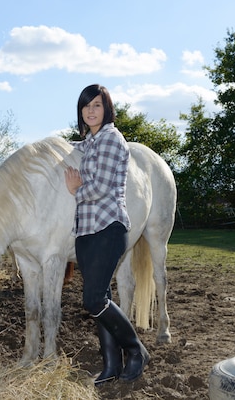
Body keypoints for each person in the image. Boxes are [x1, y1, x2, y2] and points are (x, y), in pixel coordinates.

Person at [64, 84, 150, 385]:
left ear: (107, 109)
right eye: (86, 105)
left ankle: (136, 350)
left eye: (97, 105)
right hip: (86, 232)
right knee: (102, 297)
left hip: (108, 228)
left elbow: (100, 188)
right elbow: (72, 149)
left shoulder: (112, 139)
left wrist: (76, 190)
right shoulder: (90, 142)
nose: (91, 110)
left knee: (92, 301)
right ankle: (111, 365)